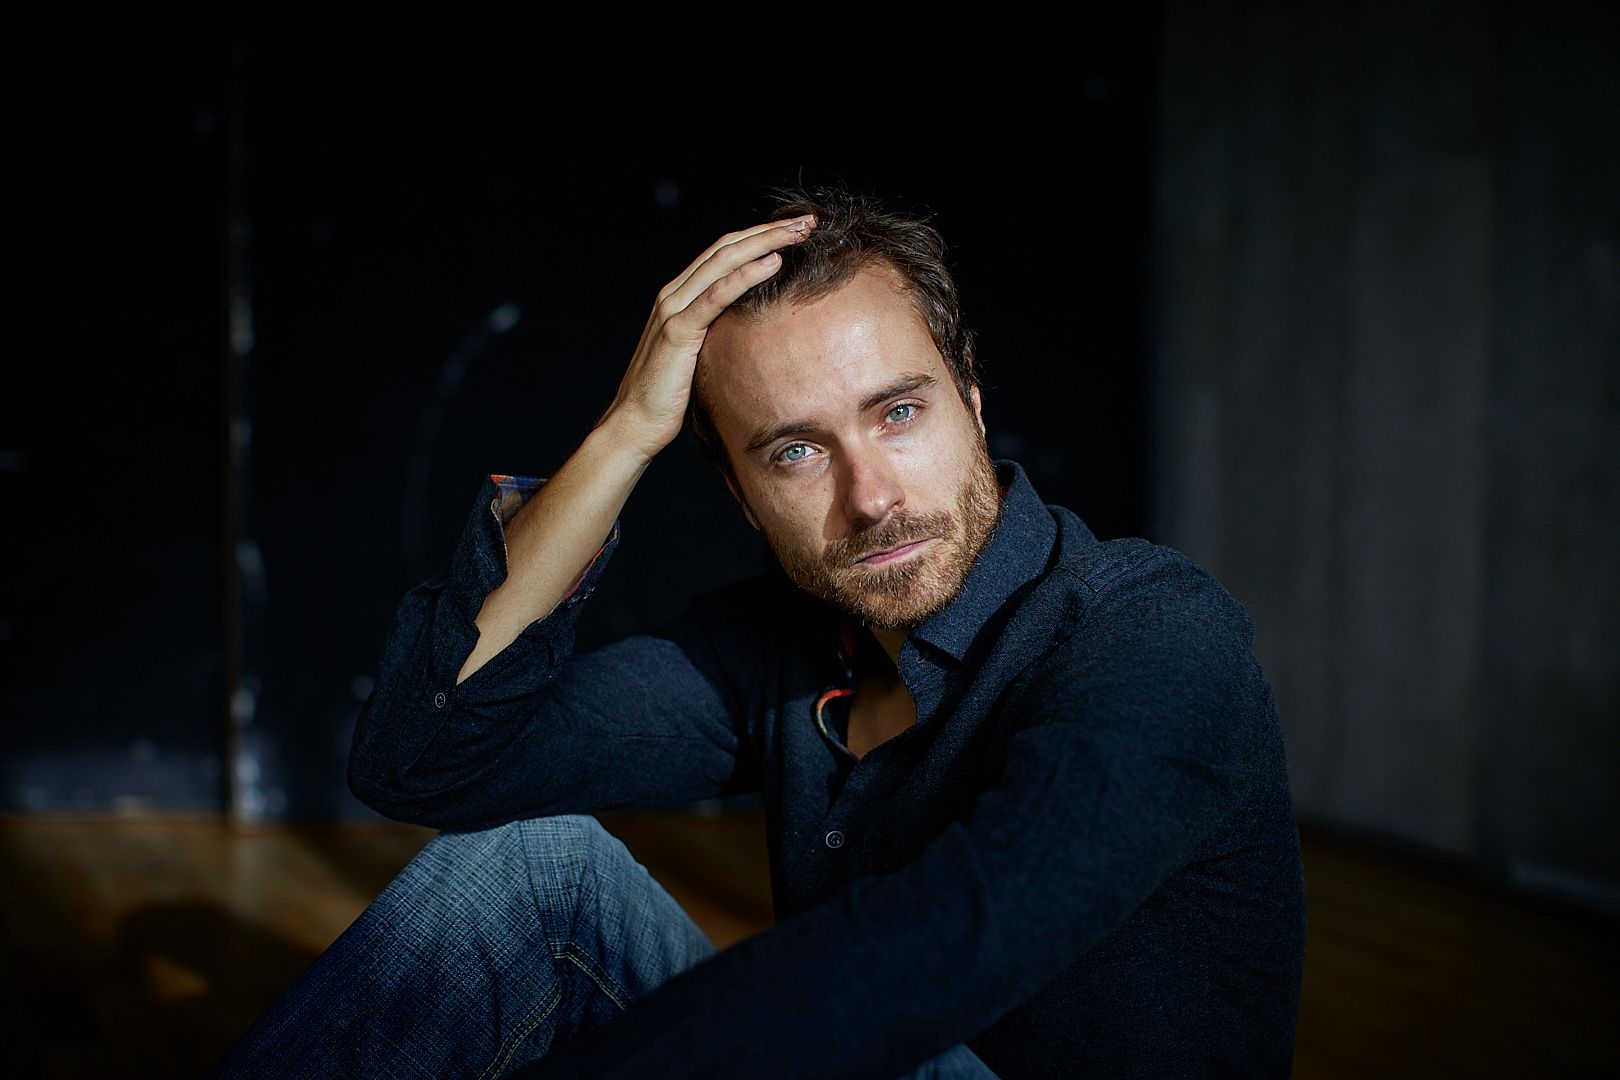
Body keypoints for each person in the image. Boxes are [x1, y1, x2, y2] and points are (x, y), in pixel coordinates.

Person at [213, 186, 1306, 1079]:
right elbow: (423, 758)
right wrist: (625, 437)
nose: (871, 498)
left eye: (899, 412)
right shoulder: (784, 649)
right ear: (740, 494)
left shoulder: (1154, 630)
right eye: (795, 452)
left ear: (972, 402)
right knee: (537, 870)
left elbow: (957, 945)